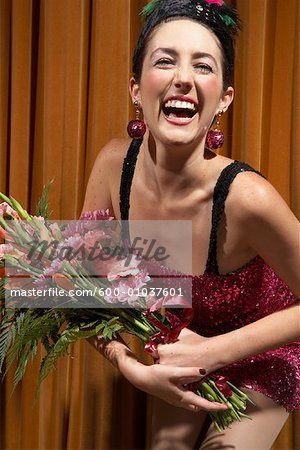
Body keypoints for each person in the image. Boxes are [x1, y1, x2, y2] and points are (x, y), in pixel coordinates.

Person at [82, 0, 300, 448]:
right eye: (165, 60)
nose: (183, 77)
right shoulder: (112, 166)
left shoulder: (246, 197)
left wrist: (212, 352)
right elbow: (81, 289)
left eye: (203, 66)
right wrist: (132, 367)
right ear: (136, 88)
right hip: (183, 346)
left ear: (224, 98)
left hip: (265, 350)